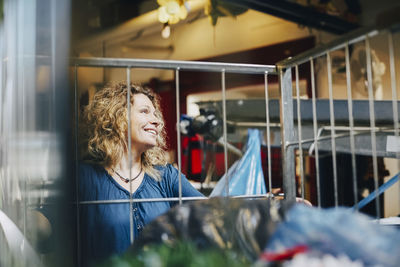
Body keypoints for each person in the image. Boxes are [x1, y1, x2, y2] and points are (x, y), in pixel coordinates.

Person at [78, 81, 203, 266]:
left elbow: (210, 211)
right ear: (117, 118)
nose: (157, 121)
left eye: (155, 114)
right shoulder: (85, 177)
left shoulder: (165, 176)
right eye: (145, 111)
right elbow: (47, 221)